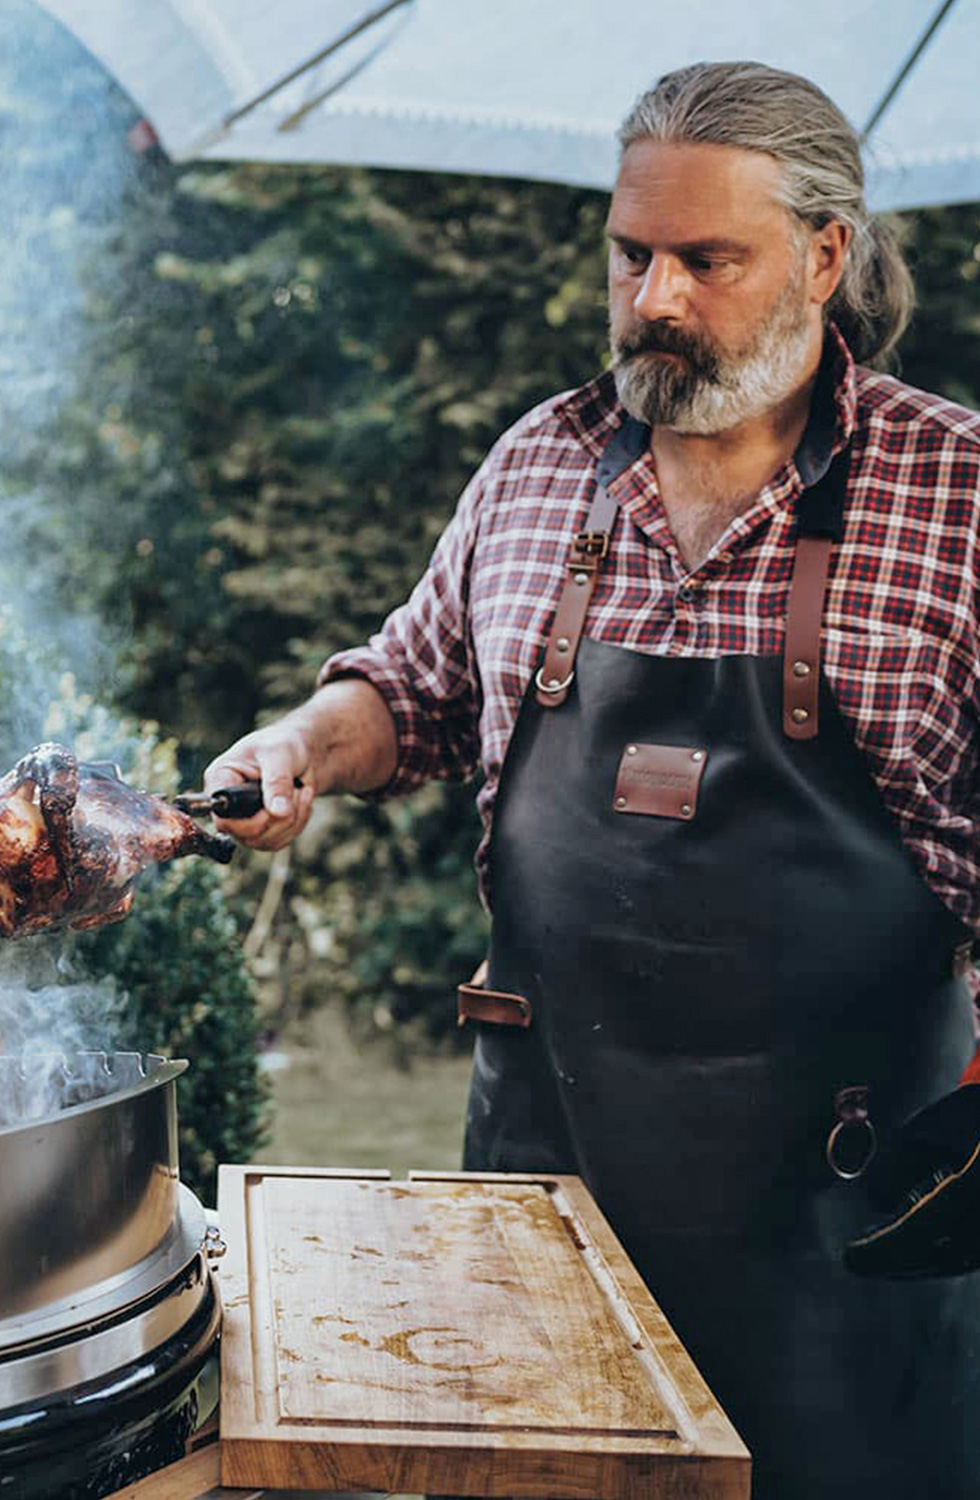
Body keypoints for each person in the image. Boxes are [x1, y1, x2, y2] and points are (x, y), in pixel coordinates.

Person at [205, 61, 980, 1498]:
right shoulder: (539, 466)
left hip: (846, 1212)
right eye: (634, 256)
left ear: (826, 256)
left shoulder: (955, 488)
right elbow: (411, 686)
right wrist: (300, 744)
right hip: (544, 1186)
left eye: (707, 259)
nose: (658, 300)